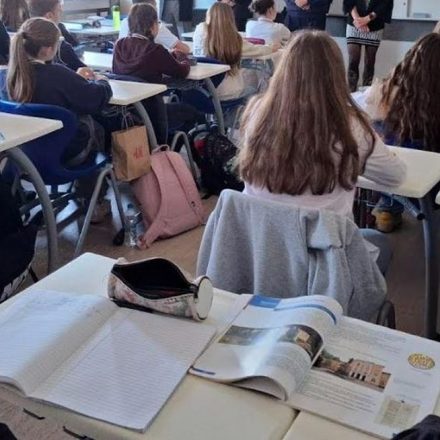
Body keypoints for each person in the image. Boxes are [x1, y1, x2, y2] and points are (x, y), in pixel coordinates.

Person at [238, 30, 406, 273]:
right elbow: (396, 176)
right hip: (325, 263)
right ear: (336, 74)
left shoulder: (256, 112)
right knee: (379, 242)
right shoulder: (352, 126)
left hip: (261, 250)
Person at [7, 18, 112, 166]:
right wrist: (102, 81)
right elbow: (96, 98)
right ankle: (96, 177)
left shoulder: (10, 76)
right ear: (48, 50)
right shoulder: (58, 74)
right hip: (65, 152)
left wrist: (74, 78)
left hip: (25, 153)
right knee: (96, 125)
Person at [361, 33, 440, 232]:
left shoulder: (390, 89)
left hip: (395, 180)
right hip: (433, 186)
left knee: (386, 133)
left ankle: (387, 209)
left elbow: (368, 105)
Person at [113, 3, 203, 141]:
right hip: (154, 112)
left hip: (127, 113)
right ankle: (170, 144)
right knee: (193, 112)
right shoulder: (155, 50)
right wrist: (182, 57)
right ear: (153, 26)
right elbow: (183, 72)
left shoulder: (119, 45)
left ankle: (164, 142)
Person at [193, 2, 278, 100]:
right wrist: (271, 48)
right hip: (228, 92)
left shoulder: (199, 32)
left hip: (204, 91)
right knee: (258, 81)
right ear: (231, 18)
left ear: (208, 15)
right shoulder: (233, 38)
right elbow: (256, 50)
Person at [343, 0, 393, 92]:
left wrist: (367, 19)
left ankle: (366, 92)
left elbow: (385, 3)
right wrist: (358, 20)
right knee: (353, 59)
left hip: (375, 24)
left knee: (370, 61)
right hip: (354, 22)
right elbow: (348, 2)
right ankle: (351, 92)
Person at [27, 0, 90, 72]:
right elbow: (83, 70)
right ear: (49, 16)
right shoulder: (61, 46)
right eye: (59, 10)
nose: (61, 13)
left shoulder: (24, 38)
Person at [119, 0, 190, 54]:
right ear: (152, 7)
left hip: (126, 68)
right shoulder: (155, 27)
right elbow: (185, 49)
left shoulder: (124, 23)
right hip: (149, 67)